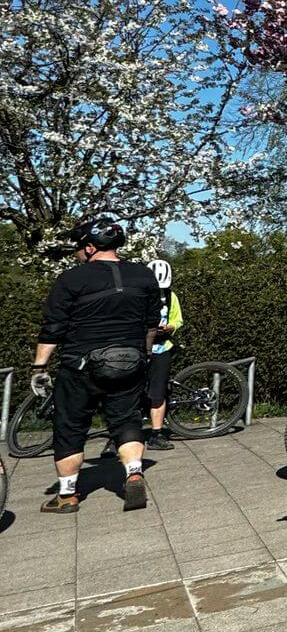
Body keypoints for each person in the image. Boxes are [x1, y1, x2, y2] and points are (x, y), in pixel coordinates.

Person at [33, 216, 160, 513]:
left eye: (79, 247)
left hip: (80, 366)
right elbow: (151, 324)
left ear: (90, 248)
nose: (77, 252)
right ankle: (134, 473)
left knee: (70, 426)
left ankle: (66, 496)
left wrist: (39, 368)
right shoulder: (144, 276)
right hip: (130, 362)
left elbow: (53, 328)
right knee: (127, 420)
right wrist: (143, 355)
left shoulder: (71, 279)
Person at [144, 257, 183, 451]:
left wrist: (170, 327)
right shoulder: (139, 296)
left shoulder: (171, 297)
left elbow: (178, 319)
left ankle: (156, 434)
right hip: (140, 349)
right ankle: (118, 436)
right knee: (129, 393)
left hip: (162, 348)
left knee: (158, 393)